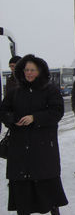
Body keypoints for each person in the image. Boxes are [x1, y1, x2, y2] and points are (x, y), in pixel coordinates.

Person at [0, 54, 68, 215]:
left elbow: (57, 111)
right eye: (26, 70)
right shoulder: (15, 91)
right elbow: (3, 111)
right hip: (19, 146)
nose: (29, 73)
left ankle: (53, 209)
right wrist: (12, 119)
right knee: (22, 186)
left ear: (40, 71)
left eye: (32, 70)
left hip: (43, 145)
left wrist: (35, 118)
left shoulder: (50, 90)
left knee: (46, 182)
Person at [1, 55, 22, 134]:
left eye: (13, 66)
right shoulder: (10, 80)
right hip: (14, 118)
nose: (12, 68)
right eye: (10, 66)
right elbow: (7, 100)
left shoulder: (30, 79)